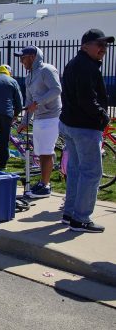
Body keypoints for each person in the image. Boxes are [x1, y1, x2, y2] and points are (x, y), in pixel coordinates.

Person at [59, 29, 114, 233]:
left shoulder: (76, 63)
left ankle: (70, 213)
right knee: (91, 172)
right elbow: (87, 99)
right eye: (99, 44)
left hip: (71, 124)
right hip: (84, 126)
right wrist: (103, 116)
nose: (103, 49)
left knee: (75, 169)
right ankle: (80, 218)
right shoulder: (86, 67)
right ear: (85, 45)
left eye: (105, 45)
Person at [15, 45, 62, 198]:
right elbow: (29, 102)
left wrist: (38, 102)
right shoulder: (28, 77)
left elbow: (56, 89)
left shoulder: (47, 70)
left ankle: (46, 185)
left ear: (32, 57)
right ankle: (43, 182)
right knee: (41, 153)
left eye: (23, 58)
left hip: (52, 116)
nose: (22, 62)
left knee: (47, 152)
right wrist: (24, 122)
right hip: (40, 119)